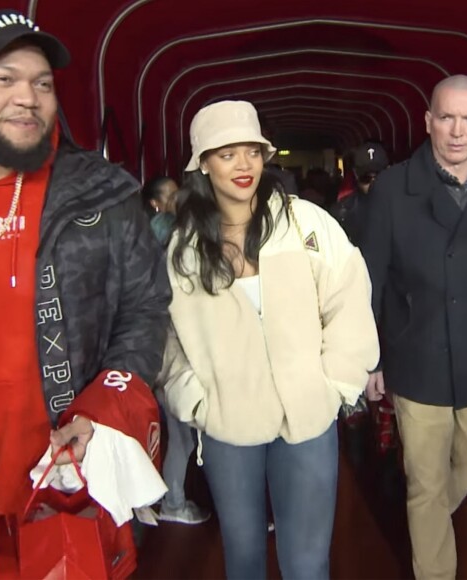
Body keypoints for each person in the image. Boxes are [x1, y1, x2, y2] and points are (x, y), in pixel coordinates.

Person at [0, 10, 171, 577]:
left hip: (68, 485)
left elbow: (145, 310)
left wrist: (102, 412)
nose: (28, 97)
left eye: (42, 83)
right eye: (4, 79)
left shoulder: (103, 194)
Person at [158, 99, 379, 579]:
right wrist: (196, 402)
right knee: (243, 558)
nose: (243, 165)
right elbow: (166, 338)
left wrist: (336, 384)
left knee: (306, 564)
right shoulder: (185, 248)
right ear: (203, 164)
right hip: (227, 425)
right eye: (226, 153)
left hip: (307, 420)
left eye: (252, 152)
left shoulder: (305, 224)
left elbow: (350, 297)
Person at [361, 74, 467, 580]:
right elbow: (369, 278)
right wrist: (372, 359)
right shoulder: (391, 188)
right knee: (425, 485)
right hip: (417, 353)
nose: (457, 131)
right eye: (447, 117)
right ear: (428, 121)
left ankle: (425, 518)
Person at [141, 176, 210, 524]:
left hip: (157, 347)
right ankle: (173, 502)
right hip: (176, 350)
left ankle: (168, 500)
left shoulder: (154, 239)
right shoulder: (177, 244)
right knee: (184, 432)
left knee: (176, 430)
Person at [330, 141, 389, 246]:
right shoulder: (343, 212)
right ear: (356, 175)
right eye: (366, 178)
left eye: (379, 177)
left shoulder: (405, 208)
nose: (372, 184)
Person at [141, 175, 178, 245]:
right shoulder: (161, 225)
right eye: (172, 197)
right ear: (154, 203)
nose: (177, 199)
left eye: (178, 194)